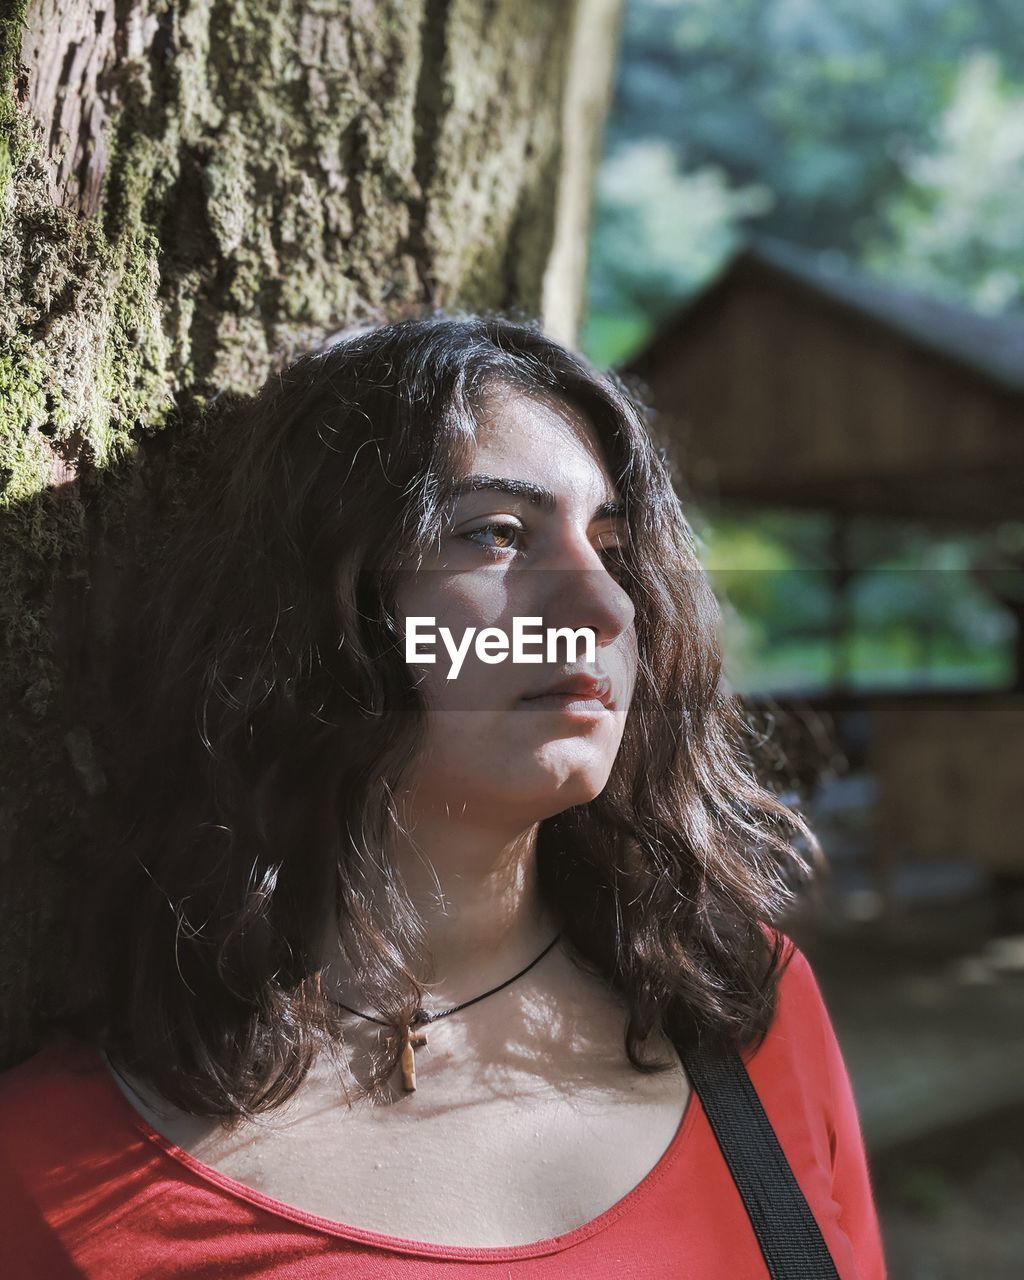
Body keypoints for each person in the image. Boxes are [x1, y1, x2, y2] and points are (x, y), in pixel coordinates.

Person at [0, 314, 887, 1278]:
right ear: (316, 608)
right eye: (498, 534)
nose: (603, 607)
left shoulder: (747, 1012)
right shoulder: (50, 1173)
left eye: (615, 549)